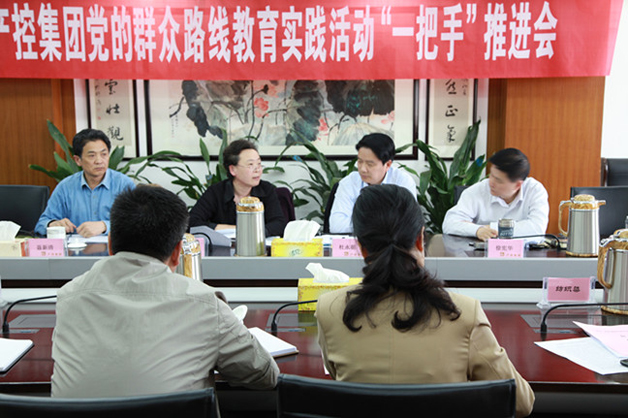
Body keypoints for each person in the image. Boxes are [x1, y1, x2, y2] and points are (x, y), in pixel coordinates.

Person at [316, 185, 534, 418]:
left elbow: (338, 377)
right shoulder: (463, 313)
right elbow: (521, 402)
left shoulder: (329, 309)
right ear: (420, 240)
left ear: (361, 248)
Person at [51, 185, 279, 397]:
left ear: (110, 244)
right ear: (177, 252)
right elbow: (265, 375)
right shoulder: (204, 303)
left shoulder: (68, 297)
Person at [34, 129, 135, 238]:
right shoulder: (65, 187)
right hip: (75, 247)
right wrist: (52, 224)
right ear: (78, 160)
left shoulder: (124, 184)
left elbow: (136, 222)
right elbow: (41, 224)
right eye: (92, 155)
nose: (99, 161)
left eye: (104, 154)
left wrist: (105, 226)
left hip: (113, 247)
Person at [442, 148, 549, 241]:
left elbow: (537, 228)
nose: (491, 182)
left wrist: (492, 229)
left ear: (517, 185)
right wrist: (478, 230)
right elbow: (449, 223)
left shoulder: (534, 191)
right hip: (481, 254)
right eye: (491, 175)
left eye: (498, 180)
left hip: (524, 254)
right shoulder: (478, 190)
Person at [189, 139, 286, 236]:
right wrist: (235, 229)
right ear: (233, 169)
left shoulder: (266, 189)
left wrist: (254, 232)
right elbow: (191, 222)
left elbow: (279, 224)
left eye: (259, 164)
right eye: (250, 164)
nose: (257, 170)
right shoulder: (216, 192)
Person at [329, 133, 416, 233]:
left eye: (370, 164)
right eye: (360, 161)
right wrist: (384, 226)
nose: (362, 169)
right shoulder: (349, 183)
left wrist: (362, 225)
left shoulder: (402, 182)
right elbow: (337, 226)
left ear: (388, 165)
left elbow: (409, 224)